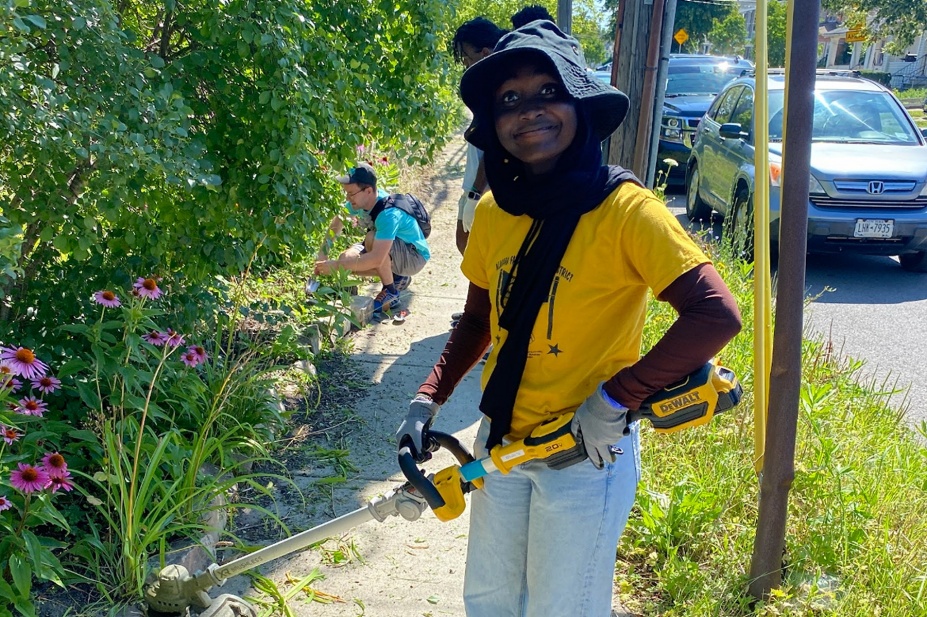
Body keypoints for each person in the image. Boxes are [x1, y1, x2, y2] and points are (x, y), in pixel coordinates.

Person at [396, 22, 742, 617]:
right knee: (490, 600)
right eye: (509, 100)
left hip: (582, 451)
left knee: (564, 607)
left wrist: (615, 401)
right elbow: (479, 319)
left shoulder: (626, 210)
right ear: (493, 124)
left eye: (547, 92)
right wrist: (426, 400)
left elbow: (714, 313)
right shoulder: (496, 213)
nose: (528, 111)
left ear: (580, 105)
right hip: (500, 443)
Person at [315, 162, 430, 313]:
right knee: (346, 258)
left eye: (351, 193)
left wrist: (335, 266)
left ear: (368, 191)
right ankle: (393, 279)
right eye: (346, 193)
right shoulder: (360, 200)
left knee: (370, 238)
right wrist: (323, 253)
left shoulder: (388, 214)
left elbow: (376, 258)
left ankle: (391, 291)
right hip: (390, 250)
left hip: (414, 257)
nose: (348, 198)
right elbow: (339, 220)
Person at [451, 17, 507, 257]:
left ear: (484, 52)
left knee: (478, 257)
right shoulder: (488, 87)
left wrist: (475, 194)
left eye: (466, 57)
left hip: (487, 191)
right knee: (467, 248)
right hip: (477, 188)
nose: (464, 64)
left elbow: (493, 147)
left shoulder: (499, 90)